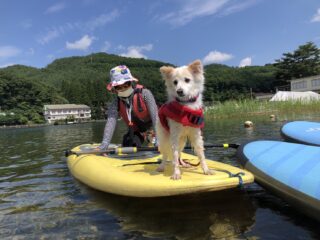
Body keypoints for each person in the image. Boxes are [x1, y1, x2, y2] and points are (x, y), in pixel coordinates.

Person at [98, 65, 158, 150]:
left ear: (131, 82)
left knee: (162, 140)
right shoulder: (116, 103)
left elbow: (155, 116)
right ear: (114, 89)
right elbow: (110, 123)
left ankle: (154, 139)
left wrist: (159, 138)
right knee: (129, 144)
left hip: (156, 127)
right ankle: (144, 138)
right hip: (137, 131)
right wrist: (105, 143)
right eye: (118, 86)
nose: (123, 88)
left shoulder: (145, 93)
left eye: (126, 84)